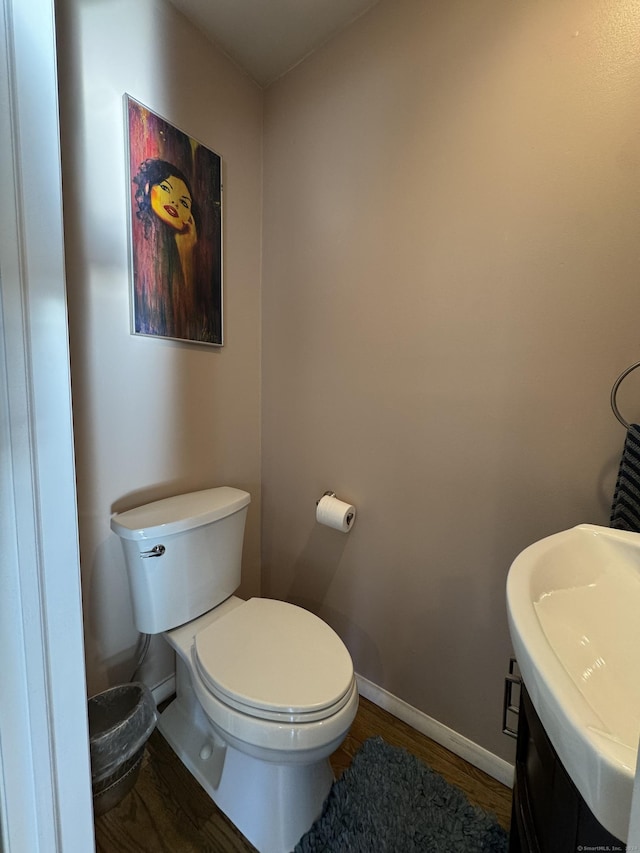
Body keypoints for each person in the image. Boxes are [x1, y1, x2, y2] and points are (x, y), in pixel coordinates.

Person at [132, 159, 201, 341]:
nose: (174, 202)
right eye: (166, 189)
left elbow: (187, 320)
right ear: (148, 187)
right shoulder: (139, 238)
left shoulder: (178, 248)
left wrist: (186, 253)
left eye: (184, 203)